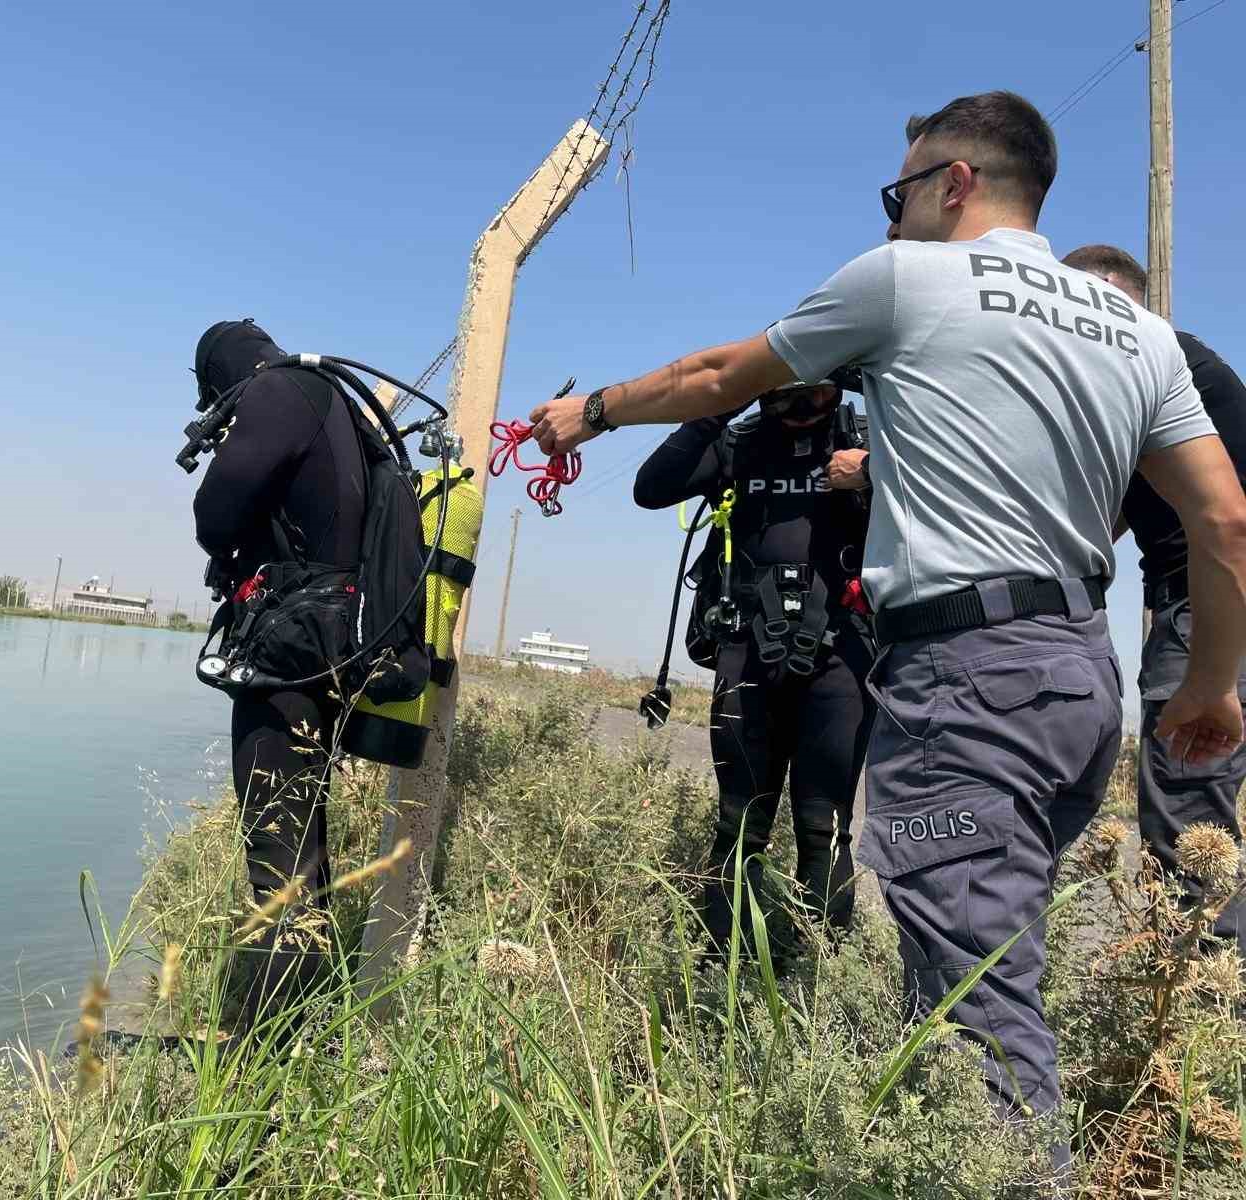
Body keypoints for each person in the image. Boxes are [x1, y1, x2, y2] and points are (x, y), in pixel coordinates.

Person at [526, 91, 1246, 1169]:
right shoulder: (1139, 332)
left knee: (976, 1009)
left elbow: (717, 376)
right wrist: (1211, 685)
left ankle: (1007, 1176)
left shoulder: (907, 278)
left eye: (896, 192)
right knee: (990, 947)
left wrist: (588, 412)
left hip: (968, 678)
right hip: (1079, 679)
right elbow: (1224, 519)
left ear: (953, 183)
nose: (892, 214)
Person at [633, 378, 874, 949]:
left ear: (837, 388)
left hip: (840, 656)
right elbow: (650, 488)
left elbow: (944, 478)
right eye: (782, 396)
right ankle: (722, 973)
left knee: (825, 830)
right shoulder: (737, 443)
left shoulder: (864, 440)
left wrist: (872, 470)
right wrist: (722, 402)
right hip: (746, 652)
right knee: (738, 825)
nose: (801, 410)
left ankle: (815, 980)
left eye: (815, 394)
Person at [1061, 243, 1246, 950]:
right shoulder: (1173, 372)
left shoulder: (1157, 361)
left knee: (1190, 825)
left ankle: (1198, 1000)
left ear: (1111, 298)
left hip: (1211, 602)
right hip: (1206, 596)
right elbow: (1104, 517)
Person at [192, 317, 366, 1027]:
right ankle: (309, 1031)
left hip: (286, 654)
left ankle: (258, 1056)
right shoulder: (334, 400)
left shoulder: (278, 391)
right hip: (330, 648)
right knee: (303, 850)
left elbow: (215, 513)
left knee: (278, 861)